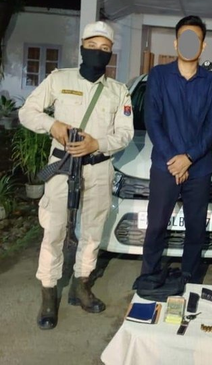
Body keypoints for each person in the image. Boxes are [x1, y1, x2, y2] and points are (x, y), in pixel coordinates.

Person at [19, 21, 134, 330]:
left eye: (105, 49)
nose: (98, 52)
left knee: (92, 231)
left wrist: (98, 144)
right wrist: (52, 125)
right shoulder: (60, 79)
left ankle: (81, 284)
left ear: (111, 53)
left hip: (98, 167)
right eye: (92, 47)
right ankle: (48, 293)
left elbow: (125, 133)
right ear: (82, 47)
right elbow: (27, 112)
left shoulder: (118, 91)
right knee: (54, 230)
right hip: (62, 167)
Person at [139, 15, 212, 284]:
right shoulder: (159, 76)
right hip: (165, 166)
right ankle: (149, 276)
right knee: (156, 225)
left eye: (194, 39)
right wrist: (174, 159)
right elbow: (152, 119)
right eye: (184, 39)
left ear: (203, 45)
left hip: (199, 169)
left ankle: (189, 277)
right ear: (176, 43)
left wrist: (188, 158)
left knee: (196, 228)